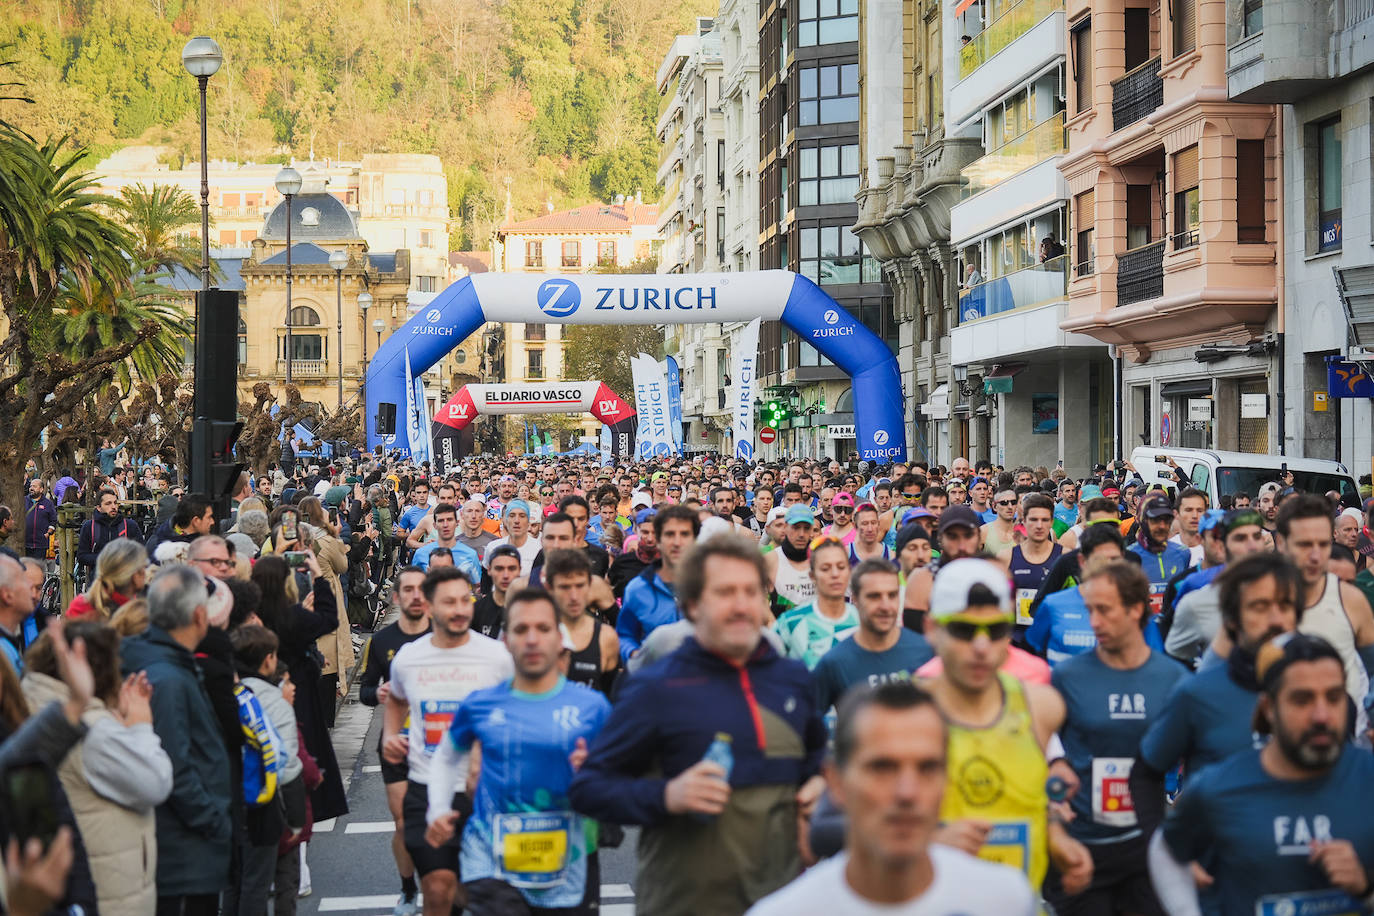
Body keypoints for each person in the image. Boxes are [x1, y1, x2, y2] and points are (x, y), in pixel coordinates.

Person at [570, 534, 828, 916]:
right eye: (725, 592)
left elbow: (817, 767)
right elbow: (589, 789)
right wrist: (666, 797)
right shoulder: (654, 687)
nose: (741, 605)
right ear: (692, 605)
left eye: (751, 591)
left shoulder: (792, 680)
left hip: (780, 900)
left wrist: (820, 788)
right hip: (683, 902)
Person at [747, 681, 1037, 915]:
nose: (907, 792)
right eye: (882, 767)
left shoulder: (1005, 900)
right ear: (835, 783)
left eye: (927, 768)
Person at [1149, 633, 1374, 916]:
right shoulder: (1219, 787)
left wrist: (1366, 888)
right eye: (1302, 699)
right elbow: (1164, 848)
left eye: (1333, 697)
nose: (1321, 715)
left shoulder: (1368, 777)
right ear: (1269, 709)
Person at [425, 588, 612, 913]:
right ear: (506, 640)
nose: (532, 639)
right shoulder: (480, 704)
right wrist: (438, 808)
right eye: (521, 629)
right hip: (490, 861)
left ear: (559, 639)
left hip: (568, 859)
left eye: (542, 629)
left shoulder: (592, 707)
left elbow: (621, 777)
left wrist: (597, 777)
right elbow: (446, 755)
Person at [921, 558, 1093, 900]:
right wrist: (928, 844)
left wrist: (1056, 835)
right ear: (931, 629)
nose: (982, 646)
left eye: (996, 630)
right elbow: (847, 827)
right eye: (964, 630)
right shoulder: (899, 714)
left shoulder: (1042, 708)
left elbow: (1034, 792)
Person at [1130, 552, 1307, 853]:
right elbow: (1145, 773)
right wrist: (1163, 852)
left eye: (1286, 605)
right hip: (1221, 877)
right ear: (1233, 618)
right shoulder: (1196, 694)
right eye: (1260, 607)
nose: (1276, 619)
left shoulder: (1324, 690)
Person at [1043, 562, 1185, 916]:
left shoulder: (1173, 679)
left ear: (1136, 609)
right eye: (1090, 610)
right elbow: (1048, 761)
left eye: (1104, 610)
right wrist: (1055, 817)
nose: (1094, 622)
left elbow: (1200, 763)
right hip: (1083, 849)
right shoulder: (1068, 677)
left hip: (1149, 852)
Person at [382, 566, 514, 916]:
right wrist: (390, 735)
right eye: (449, 602)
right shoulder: (410, 658)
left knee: (474, 894)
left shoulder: (497, 657)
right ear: (428, 605)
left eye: (465, 600)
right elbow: (395, 699)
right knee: (438, 887)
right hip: (425, 787)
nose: (459, 609)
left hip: (485, 792)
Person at [20, 621, 173, 916]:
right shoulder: (92, 730)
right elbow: (156, 781)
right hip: (108, 892)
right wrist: (141, 727)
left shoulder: (35, 701)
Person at [119, 565, 233, 915]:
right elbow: (174, 767)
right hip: (182, 854)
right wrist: (214, 820)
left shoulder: (160, 663)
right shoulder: (167, 679)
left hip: (180, 847)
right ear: (200, 616)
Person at [357, 566, 432, 916]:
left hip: (439, 743)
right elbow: (366, 692)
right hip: (397, 741)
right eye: (409, 590)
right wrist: (381, 691)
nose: (416, 596)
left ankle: (441, 880)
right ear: (397, 597)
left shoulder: (444, 634)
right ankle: (407, 888)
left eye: (422, 589)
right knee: (404, 822)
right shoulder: (384, 641)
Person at [1274, 494, 1374, 723]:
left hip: (1343, 738)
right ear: (1281, 543)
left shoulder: (1351, 599)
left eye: (1322, 544)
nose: (1316, 556)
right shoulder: (1258, 602)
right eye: (1305, 544)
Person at [1026, 523, 1164, 665]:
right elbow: (1036, 653)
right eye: (1100, 559)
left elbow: (1154, 663)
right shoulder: (1053, 604)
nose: (1109, 566)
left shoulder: (1136, 608)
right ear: (1082, 561)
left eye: (1115, 559)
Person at [812, 558, 935, 716]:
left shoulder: (926, 651)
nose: (885, 606)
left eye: (892, 595)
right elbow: (809, 726)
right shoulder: (834, 663)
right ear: (855, 599)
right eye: (874, 596)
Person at [1164, 508, 1267, 665]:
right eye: (1240, 538)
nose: (1251, 546)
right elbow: (1172, 646)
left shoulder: (1284, 584)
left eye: (1257, 536)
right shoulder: (1190, 585)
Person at [616, 504, 699, 661]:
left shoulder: (712, 587)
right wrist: (635, 656)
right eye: (669, 534)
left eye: (685, 534)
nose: (677, 542)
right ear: (659, 539)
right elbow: (625, 635)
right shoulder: (638, 589)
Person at [773, 538, 857, 670]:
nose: (835, 574)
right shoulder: (789, 623)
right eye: (825, 568)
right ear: (812, 575)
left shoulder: (865, 620)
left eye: (841, 567)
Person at [545, 548, 620, 694]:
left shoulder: (606, 638)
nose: (574, 596)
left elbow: (609, 698)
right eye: (565, 587)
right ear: (549, 588)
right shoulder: (532, 634)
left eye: (580, 586)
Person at [1000, 493, 1062, 632]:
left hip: (1051, 637)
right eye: (1033, 519)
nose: (1039, 526)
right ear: (1024, 521)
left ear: (1052, 522)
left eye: (1045, 520)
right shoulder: (1006, 557)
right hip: (1017, 638)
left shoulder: (1065, 555)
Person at [1128, 494, 1192, 617]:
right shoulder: (1129, 556)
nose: (1162, 526)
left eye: (1166, 520)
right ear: (1141, 520)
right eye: (1155, 520)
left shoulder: (1183, 553)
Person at [66, 538, 147, 622]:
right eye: (144, 566)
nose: (146, 572)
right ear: (135, 575)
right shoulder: (138, 615)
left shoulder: (79, 606)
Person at [765, 505, 818, 617]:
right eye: (796, 527)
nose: (801, 534)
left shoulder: (821, 559)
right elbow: (760, 604)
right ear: (786, 528)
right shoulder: (770, 560)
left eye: (806, 528)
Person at [75, 489, 144, 575]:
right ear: (99, 508)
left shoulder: (130, 526)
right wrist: (105, 559)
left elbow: (141, 553)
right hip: (99, 581)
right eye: (108, 503)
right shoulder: (89, 527)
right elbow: (81, 556)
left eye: (115, 503)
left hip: (125, 581)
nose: (113, 506)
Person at [410, 503, 482, 582]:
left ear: (457, 523)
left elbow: (477, 588)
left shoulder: (470, 555)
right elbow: (414, 584)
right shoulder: (421, 554)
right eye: (441, 521)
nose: (445, 525)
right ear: (434, 525)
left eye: (449, 520)